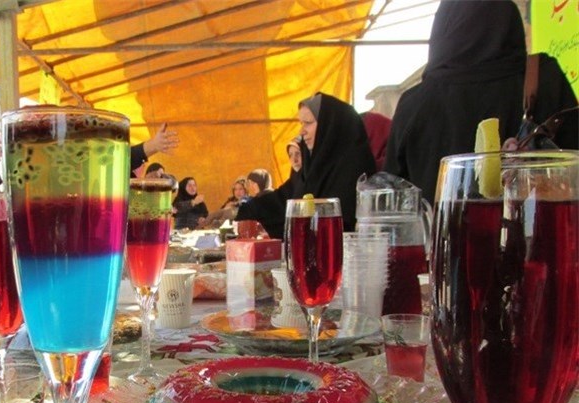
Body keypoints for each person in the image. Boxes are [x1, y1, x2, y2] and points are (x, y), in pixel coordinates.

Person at [384, 0, 579, 204]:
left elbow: (390, 197)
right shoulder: (543, 78)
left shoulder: (412, 104)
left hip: (443, 224)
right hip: (539, 222)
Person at [230, 93, 376, 237]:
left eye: (308, 123)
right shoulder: (311, 168)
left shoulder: (353, 166)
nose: (302, 131)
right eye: (301, 123)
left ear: (329, 124)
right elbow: (283, 201)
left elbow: (342, 224)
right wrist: (241, 210)